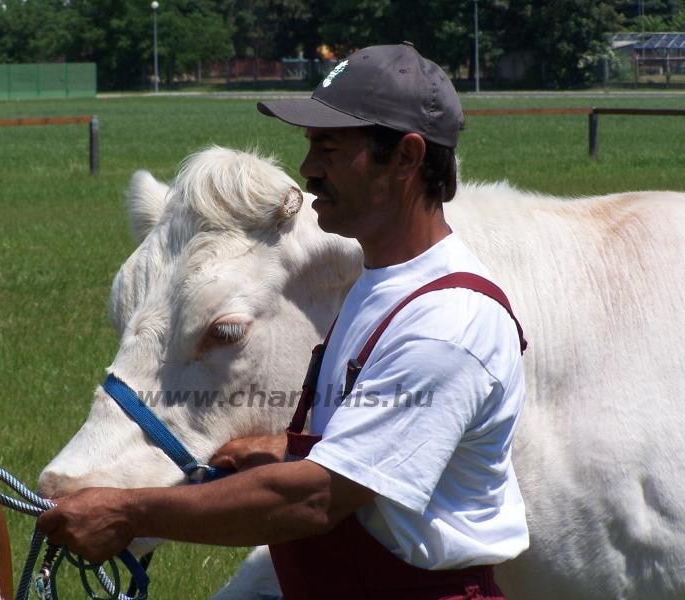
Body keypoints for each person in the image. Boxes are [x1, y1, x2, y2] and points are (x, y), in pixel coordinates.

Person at [38, 42, 529, 600]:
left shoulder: (448, 322)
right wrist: (290, 448)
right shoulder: (379, 283)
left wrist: (127, 513)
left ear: (407, 158)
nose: (308, 169)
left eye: (330, 147)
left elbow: (316, 499)